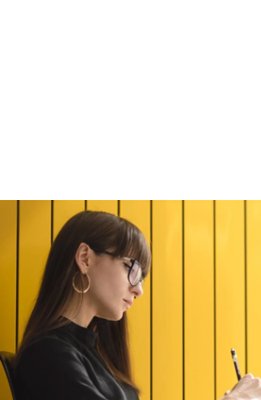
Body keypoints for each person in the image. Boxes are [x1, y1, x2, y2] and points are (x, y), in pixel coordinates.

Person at [13, 210, 261, 400]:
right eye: (132, 269)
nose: (139, 289)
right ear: (85, 258)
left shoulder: (92, 352)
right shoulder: (47, 354)